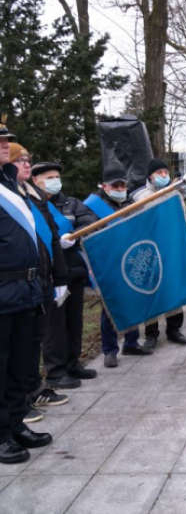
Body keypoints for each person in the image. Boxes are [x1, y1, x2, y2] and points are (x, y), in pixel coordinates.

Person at [0, 125, 53, 464]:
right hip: (2, 289)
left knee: (20, 363)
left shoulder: (9, 185)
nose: (5, 144)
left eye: (6, 140)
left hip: (23, 289)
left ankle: (14, 422)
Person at [9, 145, 72, 425]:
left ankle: (34, 387)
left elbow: (51, 236)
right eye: (18, 160)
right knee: (19, 345)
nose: (25, 164)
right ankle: (20, 397)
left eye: (27, 160)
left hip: (41, 278)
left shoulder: (33, 197)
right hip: (19, 282)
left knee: (34, 338)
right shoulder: (12, 197)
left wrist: (59, 278)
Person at [33, 161, 98, 389]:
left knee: (74, 321)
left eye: (57, 176)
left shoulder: (71, 203)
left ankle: (73, 364)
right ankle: (55, 372)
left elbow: (89, 220)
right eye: (49, 177)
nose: (55, 181)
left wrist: (74, 235)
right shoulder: (32, 204)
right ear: (36, 181)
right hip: (51, 274)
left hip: (74, 270)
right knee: (55, 326)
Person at [82, 166, 152, 367]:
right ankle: (109, 350)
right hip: (106, 263)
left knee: (133, 300)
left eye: (123, 185)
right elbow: (87, 237)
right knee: (110, 307)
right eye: (116, 185)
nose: (120, 188)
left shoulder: (133, 205)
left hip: (132, 259)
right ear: (104, 186)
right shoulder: (91, 208)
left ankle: (131, 343)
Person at [132, 158, 186, 349]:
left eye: (166, 173)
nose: (164, 176)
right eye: (160, 173)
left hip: (169, 247)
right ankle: (151, 334)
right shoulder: (140, 196)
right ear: (151, 175)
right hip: (148, 250)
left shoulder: (173, 194)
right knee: (151, 290)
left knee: (172, 288)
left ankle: (174, 329)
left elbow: (181, 219)